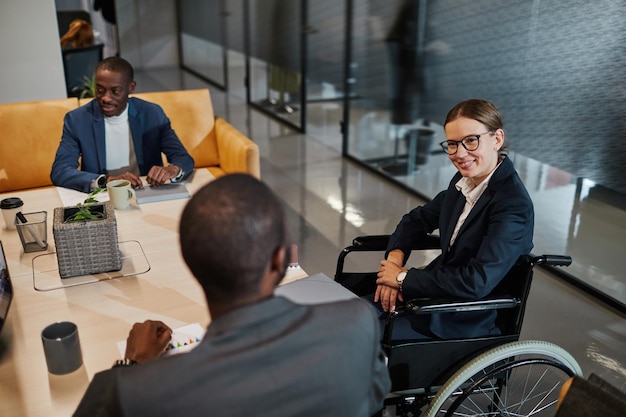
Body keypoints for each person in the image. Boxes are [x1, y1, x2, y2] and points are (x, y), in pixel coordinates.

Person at [73, 174, 391, 417]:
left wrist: (133, 366)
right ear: (282, 261)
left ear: (190, 263)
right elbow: (376, 396)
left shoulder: (129, 393)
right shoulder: (357, 321)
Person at [374, 99, 534, 340]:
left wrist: (400, 278)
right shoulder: (465, 183)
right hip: (431, 293)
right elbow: (415, 220)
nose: (460, 154)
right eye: (452, 144)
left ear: (497, 139)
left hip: (460, 316)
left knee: (362, 330)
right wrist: (394, 264)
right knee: (351, 312)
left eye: (471, 141)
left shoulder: (512, 204)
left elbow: (476, 282)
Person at [50, 57, 194, 192]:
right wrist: (108, 181)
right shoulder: (77, 120)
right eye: (100, 90)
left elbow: (183, 157)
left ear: (131, 87)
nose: (106, 98)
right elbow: (60, 171)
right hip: (104, 196)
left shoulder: (151, 114)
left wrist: (173, 170)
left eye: (115, 91)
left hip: (145, 191)